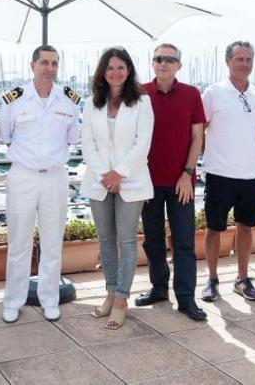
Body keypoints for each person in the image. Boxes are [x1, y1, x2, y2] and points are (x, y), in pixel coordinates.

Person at [0, 45, 80, 323]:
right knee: (19, 242)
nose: (49, 68)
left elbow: (72, 139)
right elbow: (6, 136)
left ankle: (49, 299)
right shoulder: (14, 99)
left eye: (54, 63)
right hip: (23, 175)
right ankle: (13, 300)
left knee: (52, 241)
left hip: (56, 177)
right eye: (44, 62)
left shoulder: (69, 100)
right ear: (32, 65)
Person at [80, 47, 154, 330]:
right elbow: (87, 143)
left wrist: (119, 174)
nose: (115, 72)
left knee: (126, 241)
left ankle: (122, 299)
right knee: (105, 241)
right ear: (102, 71)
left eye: (120, 67)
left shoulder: (142, 102)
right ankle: (110, 292)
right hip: (99, 182)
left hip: (131, 179)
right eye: (110, 67)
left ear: (129, 70)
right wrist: (104, 175)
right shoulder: (92, 103)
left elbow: (142, 142)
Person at [135, 43, 207, 321]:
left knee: (184, 242)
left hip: (182, 182)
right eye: (158, 59)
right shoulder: (140, 93)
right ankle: (158, 287)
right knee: (153, 240)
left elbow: (197, 137)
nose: (163, 63)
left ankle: (186, 298)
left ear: (179, 65)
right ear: (153, 64)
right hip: (147, 182)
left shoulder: (191, 94)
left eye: (169, 59)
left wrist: (188, 173)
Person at [200, 41, 255, 304]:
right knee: (214, 228)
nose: (245, 64)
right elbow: (201, 130)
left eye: (249, 59)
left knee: (246, 228)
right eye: (239, 59)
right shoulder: (213, 93)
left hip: (251, 175)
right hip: (219, 174)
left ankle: (242, 279)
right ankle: (212, 279)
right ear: (227, 62)